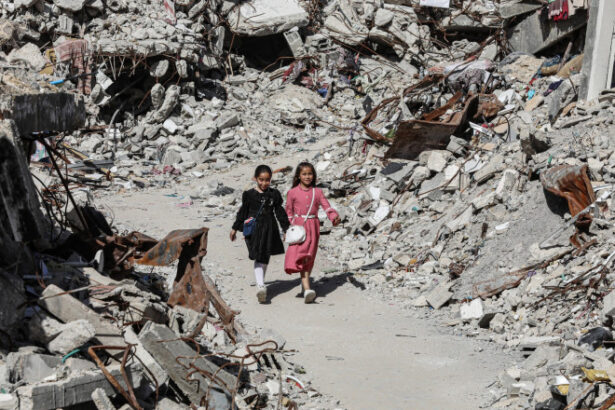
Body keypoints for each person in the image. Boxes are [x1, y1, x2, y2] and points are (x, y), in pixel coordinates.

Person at [231, 165, 290, 303]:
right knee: (259, 255)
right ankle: (261, 285)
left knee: (265, 255)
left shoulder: (274, 194)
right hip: (254, 229)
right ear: (255, 179)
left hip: (270, 228)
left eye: (267, 180)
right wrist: (234, 228)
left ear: (271, 179)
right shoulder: (249, 195)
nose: (264, 183)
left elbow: (279, 212)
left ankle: (260, 284)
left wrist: (286, 229)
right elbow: (243, 212)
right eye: (261, 180)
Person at [284, 162, 340, 303]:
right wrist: (289, 227)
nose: (307, 176)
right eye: (304, 174)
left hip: (313, 227)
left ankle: (305, 286)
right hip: (299, 228)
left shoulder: (318, 192)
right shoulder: (292, 193)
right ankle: (308, 289)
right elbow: (288, 212)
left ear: (314, 175)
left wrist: (334, 217)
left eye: (310, 174)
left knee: (310, 256)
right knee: (303, 255)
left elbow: (327, 207)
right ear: (298, 176)